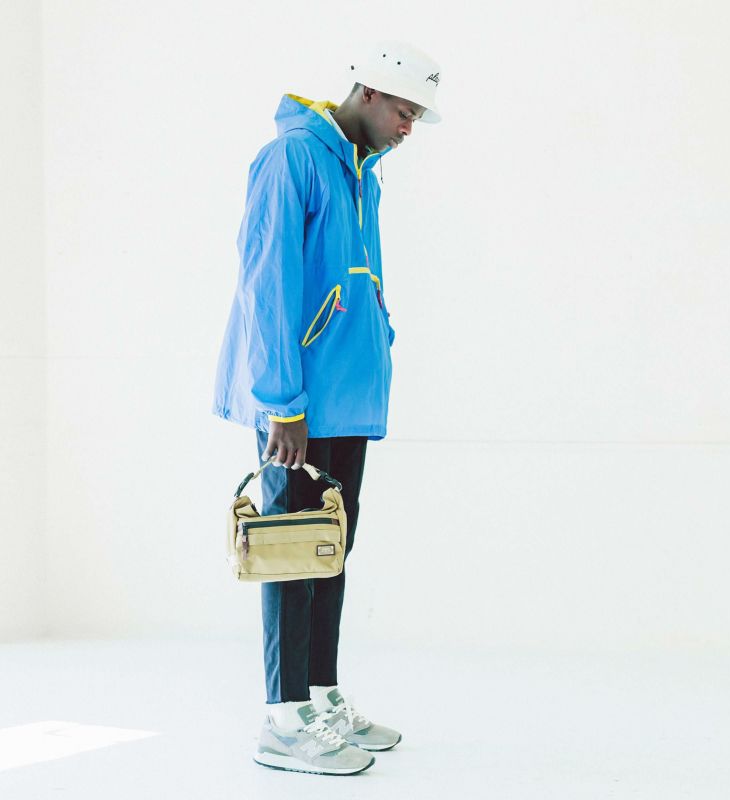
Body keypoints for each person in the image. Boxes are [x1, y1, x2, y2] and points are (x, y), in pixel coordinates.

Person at [211, 40, 442, 776]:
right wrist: (281, 403)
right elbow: (267, 282)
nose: (408, 127)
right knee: (289, 548)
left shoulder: (360, 172)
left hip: (347, 398)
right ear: (368, 93)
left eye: (417, 115)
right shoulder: (293, 159)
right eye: (404, 110)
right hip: (300, 402)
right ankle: (282, 720)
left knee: (328, 546)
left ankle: (318, 697)